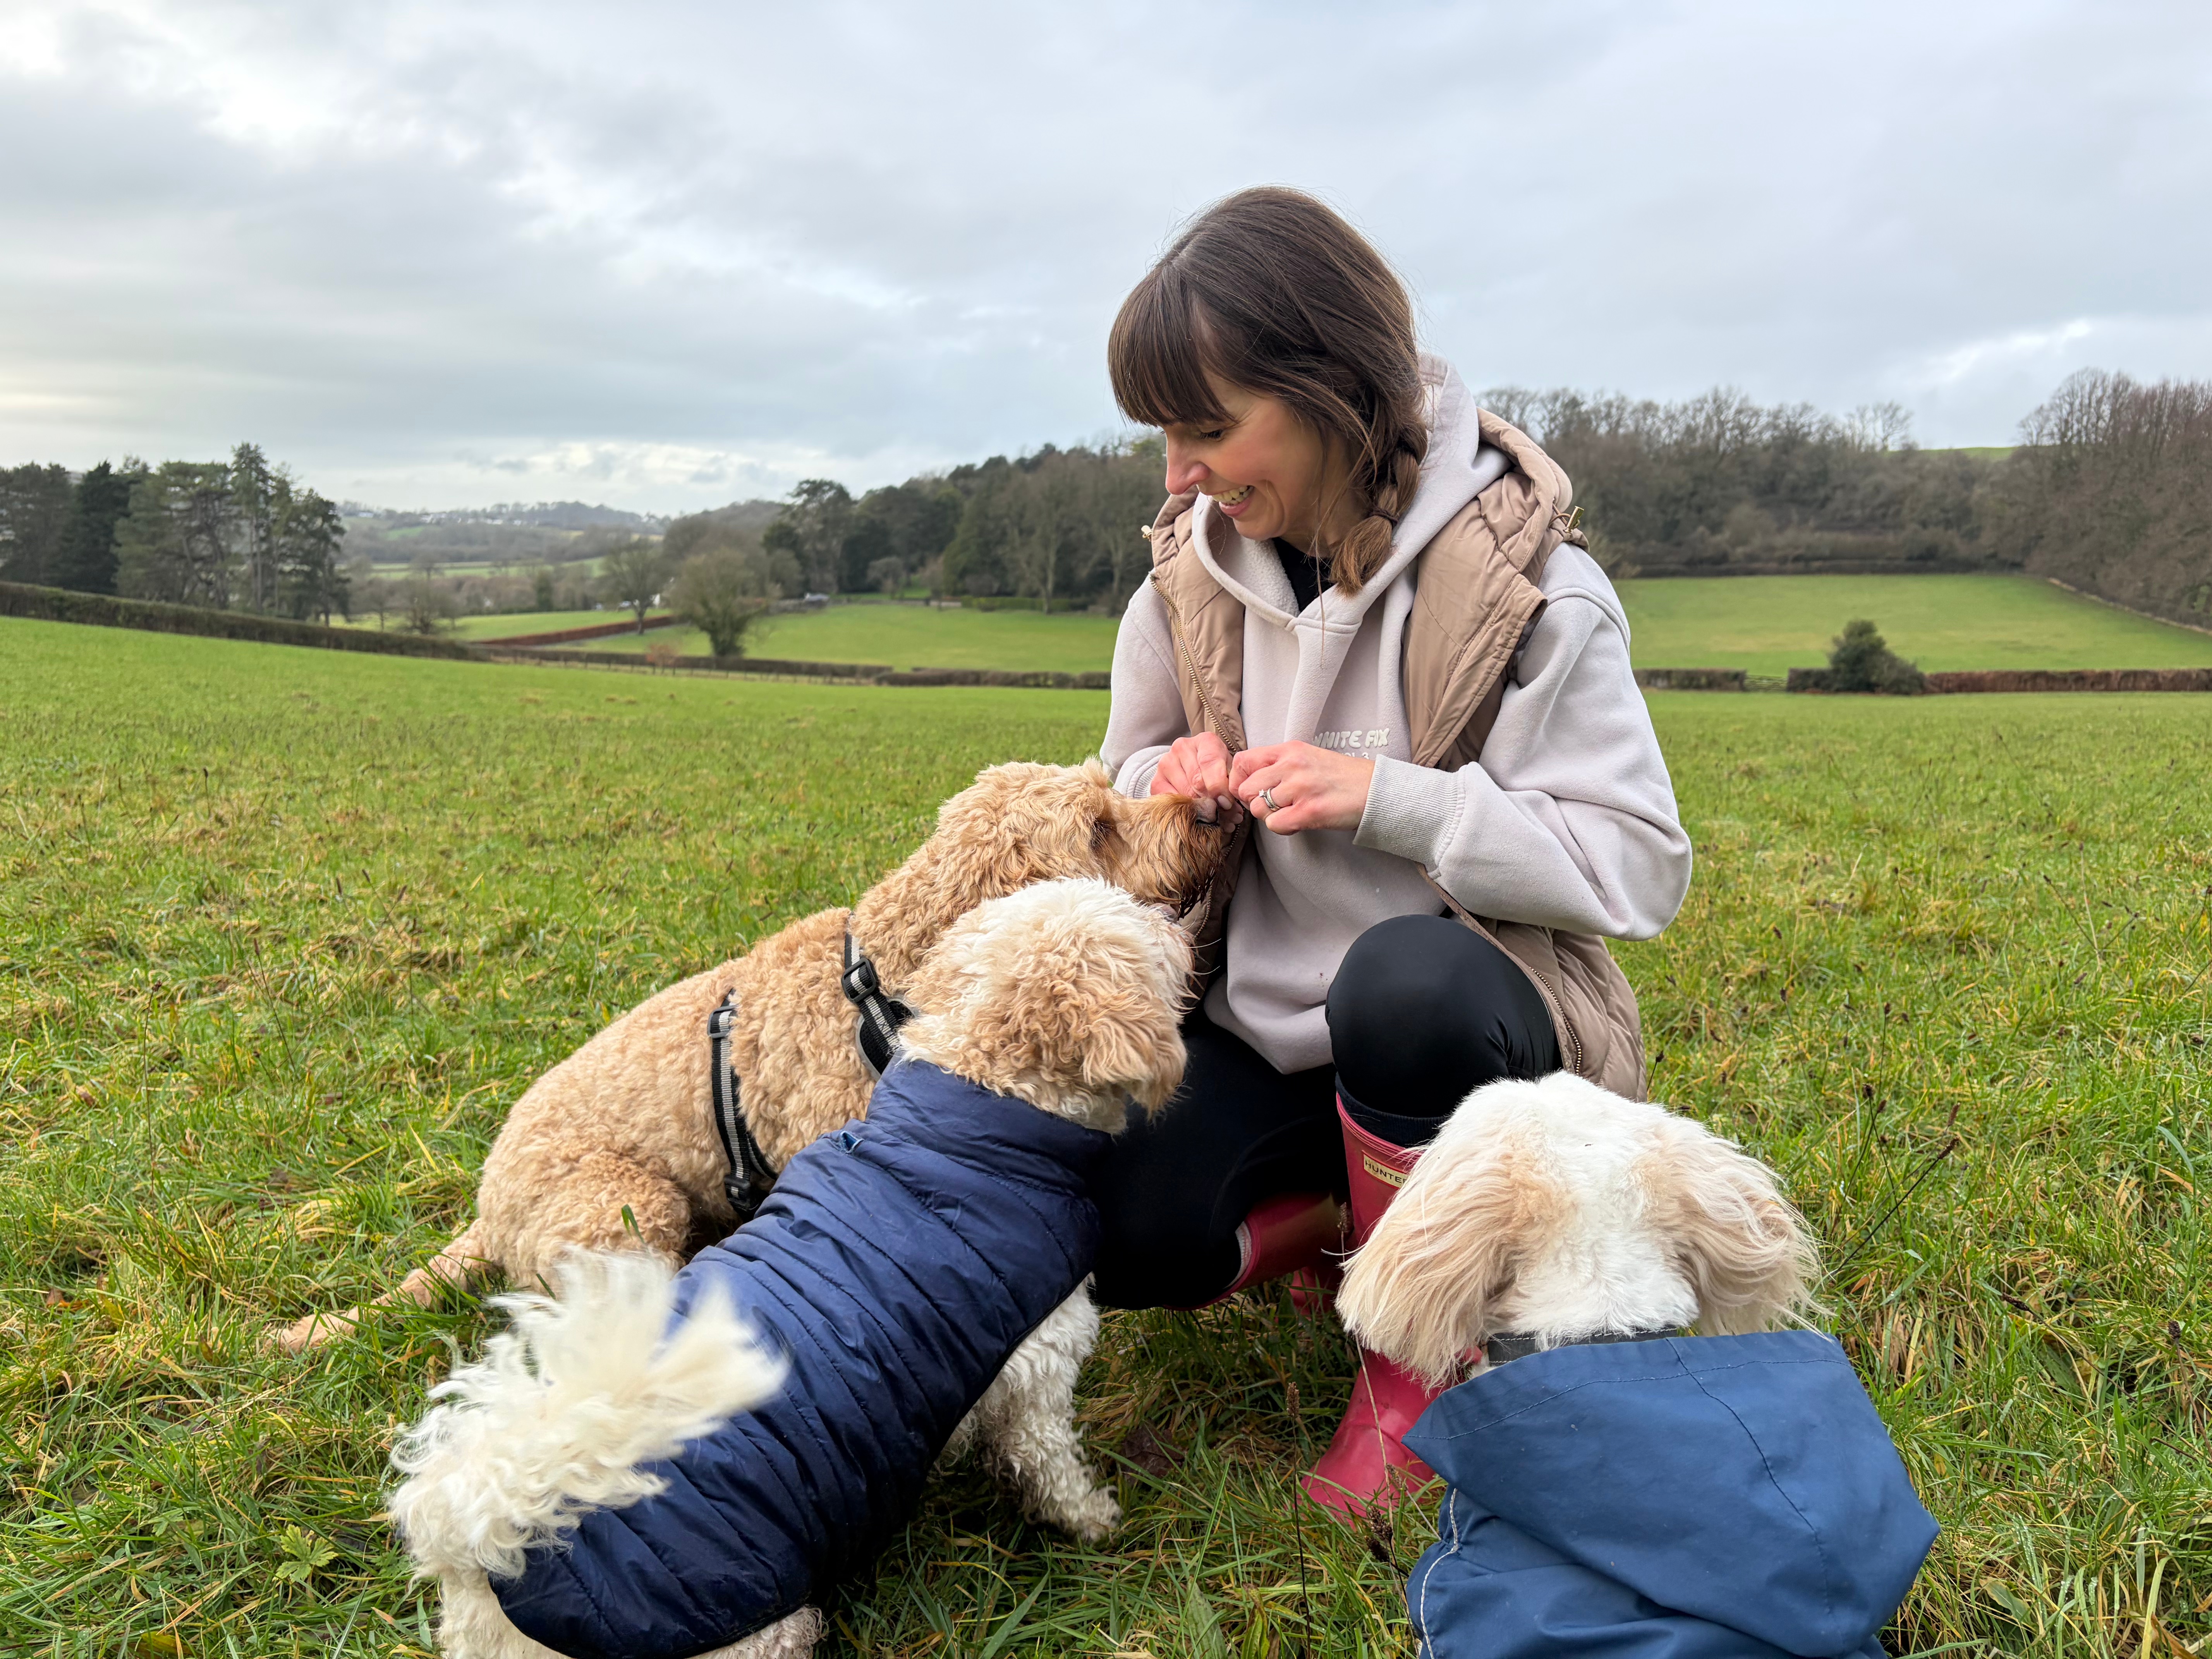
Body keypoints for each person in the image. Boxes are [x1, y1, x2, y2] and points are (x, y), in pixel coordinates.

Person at [1093, 187, 1694, 1519]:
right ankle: (1358, 1225)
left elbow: (1641, 862)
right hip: (1261, 1028)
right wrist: (1166, 780)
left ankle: (1418, 1359)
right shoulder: (1182, 582)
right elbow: (1117, 775)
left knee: (1402, 983)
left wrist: (1395, 799)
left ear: (1328, 394)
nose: (1180, 474)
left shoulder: (1535, 588)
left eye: (1208, 427)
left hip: (1465, 1030)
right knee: (1125, 1218)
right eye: (1166, 436)